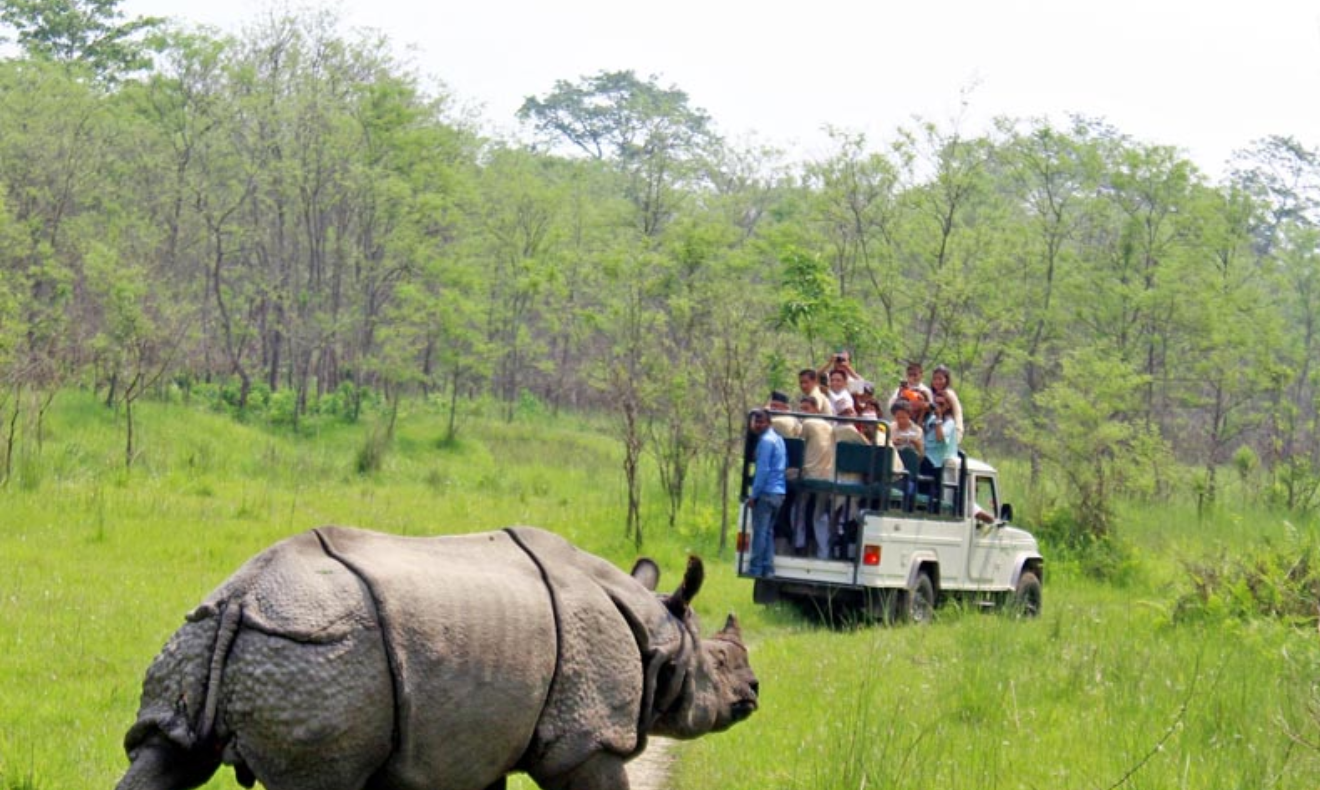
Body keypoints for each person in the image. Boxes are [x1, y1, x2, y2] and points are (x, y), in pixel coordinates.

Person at [746, 409, 786, 578]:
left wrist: (754, 495)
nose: (758, 425)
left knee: (760, 532)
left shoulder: (766, 442)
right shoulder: (778, 439)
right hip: (779, 493)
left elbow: (762, 471)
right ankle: (768, 568)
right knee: (768, 532)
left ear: (769, 422)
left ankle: (755, 568)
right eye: (756, 421)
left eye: (762, 421)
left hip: (767, 492)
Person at [794, 397, 835, 558]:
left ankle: (798, 543)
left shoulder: (808, 424)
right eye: (801, 408)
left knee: (798, 507)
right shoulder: (829, 425)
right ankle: (823, 552)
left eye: (806, 408)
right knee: (819, 514)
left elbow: (797, 442)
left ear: (816, 410)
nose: (803, 412)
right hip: (827, 476)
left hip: (810, 475)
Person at [929, 364, 964, 436]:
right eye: (935, 379)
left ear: (946, 380)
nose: (937, 382)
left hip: (948, 430)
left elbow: (957, 412)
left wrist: (958, 431)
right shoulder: (930, 394)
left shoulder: (949, 394)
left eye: (940, 379)